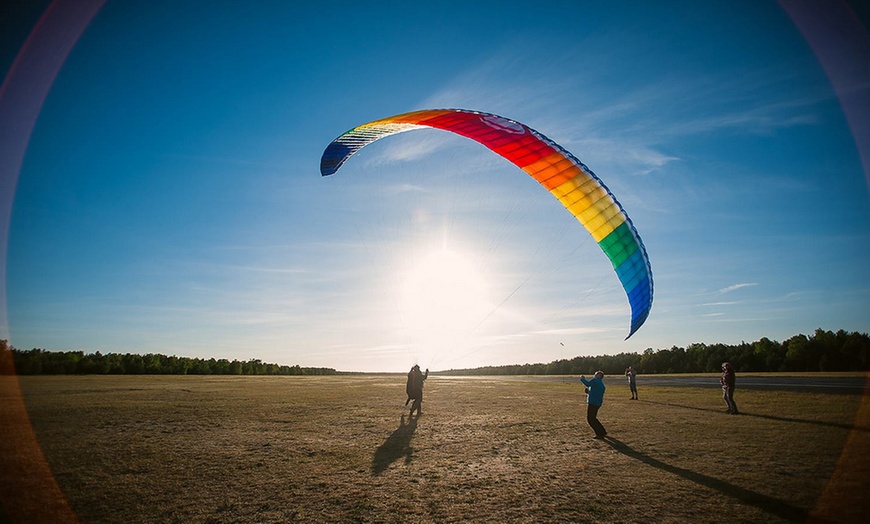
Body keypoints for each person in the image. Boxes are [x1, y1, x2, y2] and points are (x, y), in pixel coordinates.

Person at [580, 371, 607, 439]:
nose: (594, 375)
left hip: (593, 402)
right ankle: (602, 431)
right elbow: (597, 392)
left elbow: (587, 384)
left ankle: (599, 433)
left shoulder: (595, 381)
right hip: (597, 402)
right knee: (593, 418)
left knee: (590, 419)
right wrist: (589, 392)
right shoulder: (601, 383)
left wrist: (582, 378)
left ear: (599, 375)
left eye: (596, 374)